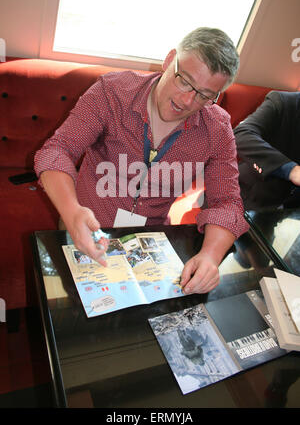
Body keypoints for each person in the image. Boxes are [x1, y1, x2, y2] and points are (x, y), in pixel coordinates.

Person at [34, 27, 249, 295]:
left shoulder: (216, 129)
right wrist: (71, 210)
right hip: (87, 227)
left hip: (151, 242)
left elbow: (227, 202)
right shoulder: (112, 92)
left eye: (204, 95)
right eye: (184, 80)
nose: (186, 100)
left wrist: (210, 257)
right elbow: (57, 150)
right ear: (170, 60)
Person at [234, 91, 300, 210]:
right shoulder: (282, 101)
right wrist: (291, 170)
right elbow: (241, 134)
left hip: (292, 211)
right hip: (249, 198)